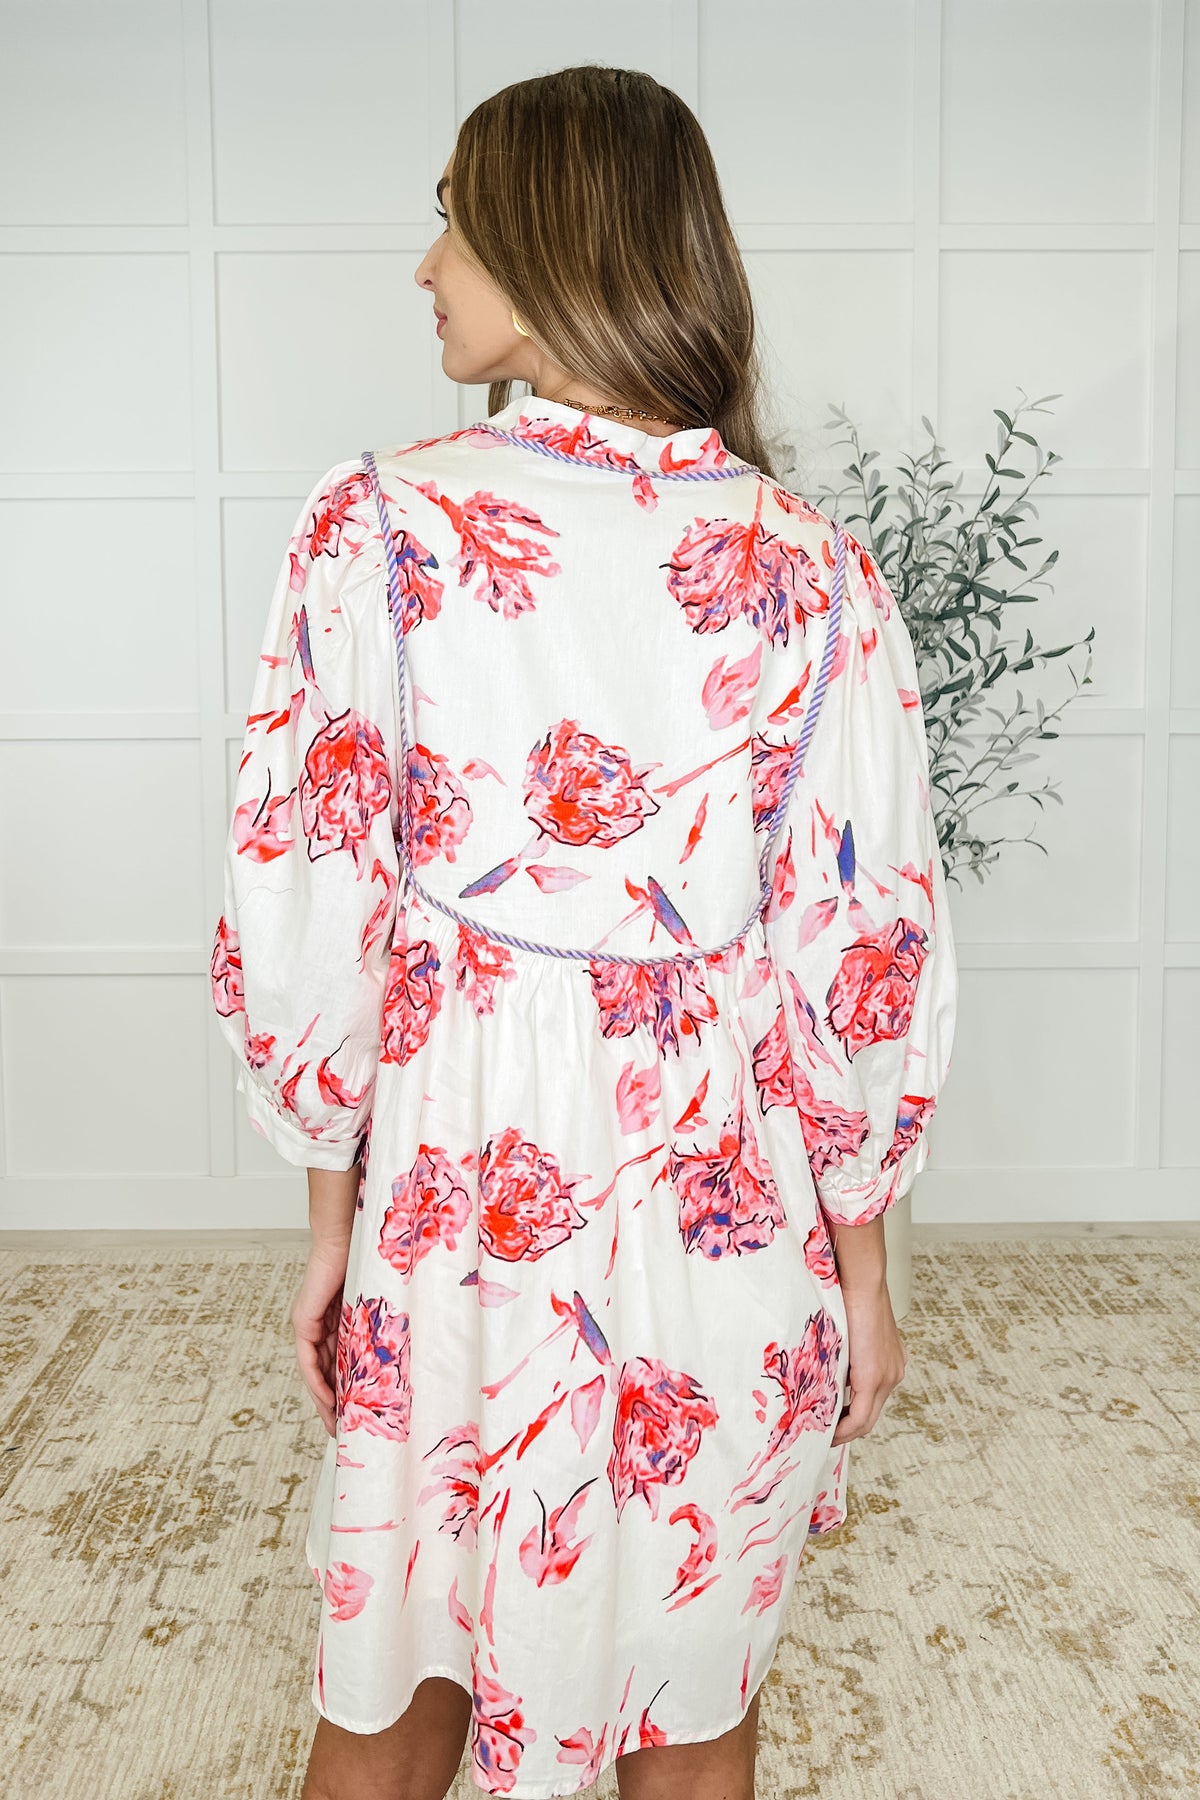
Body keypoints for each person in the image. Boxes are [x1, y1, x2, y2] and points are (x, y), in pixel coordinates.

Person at [209, 63, 958, 1800]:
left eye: (456, 221)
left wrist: (333, 1222)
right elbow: (860, 959)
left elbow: (312, 906)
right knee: (691, 1690)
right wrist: (863, 1274)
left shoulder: (377, 527)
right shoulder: (811, 565)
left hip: (456, 1204)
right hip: (727, 1215)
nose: (425, 266)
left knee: (399, 1679)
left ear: (558, 241)